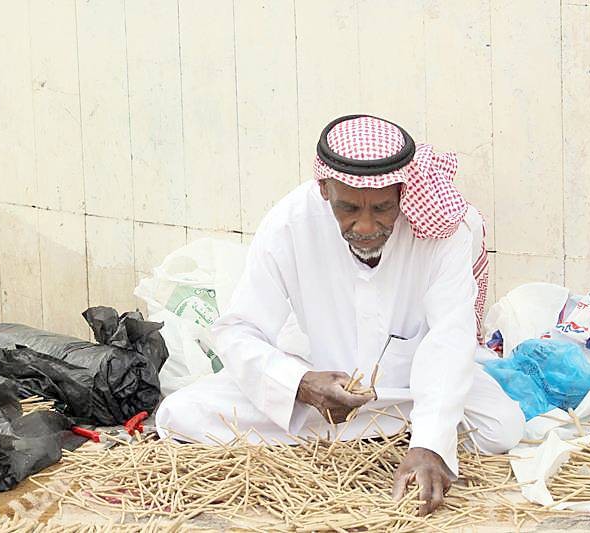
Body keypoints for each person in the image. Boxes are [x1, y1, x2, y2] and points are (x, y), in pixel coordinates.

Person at [155, 115, 524, 516]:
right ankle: (384, 433)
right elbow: (239, 329)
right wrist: (299, 384)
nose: (366, 226)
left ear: (403, 191)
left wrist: (431, 442)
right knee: (180, 413)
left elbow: (450, 339)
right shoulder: (290, 222)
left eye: (383, 208)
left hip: (411, 390)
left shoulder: (444, 230)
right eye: (349, 208)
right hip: (317, 386)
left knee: (501, 426)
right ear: (325, 189)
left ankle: (401, 436)